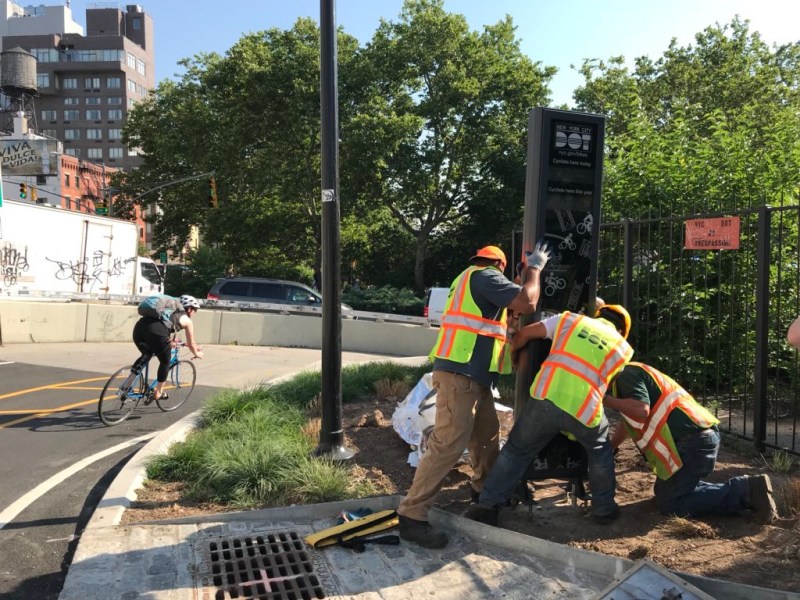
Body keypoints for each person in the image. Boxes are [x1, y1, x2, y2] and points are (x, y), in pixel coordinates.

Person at [397, 242, 552, 549]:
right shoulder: (485, 275)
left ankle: (485, 494)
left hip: (473, 378)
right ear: (500, 266)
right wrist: (535, 268)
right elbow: (527, 302)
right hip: (461, 376)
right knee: (448, 443)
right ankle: (412, 515)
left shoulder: (469, 280)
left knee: (486, 436)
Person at [466, 304, 634, 526]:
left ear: (599, 315)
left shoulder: (570, 320)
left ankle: (488, 507)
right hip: (584, 410)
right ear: (623, 330)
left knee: (516, 451)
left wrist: (514, 356)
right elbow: (608, 384)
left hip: (546, 398)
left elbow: (524, 333)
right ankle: (604, 510)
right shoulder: (624, 349)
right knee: (600, 453)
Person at [603, 362, 778, 522]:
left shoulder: (626, 375)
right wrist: (610, 447)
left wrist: (605, 400)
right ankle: (748, 489)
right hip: (699, 438)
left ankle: (746, 491)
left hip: (693, 443)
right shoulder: (632, 373)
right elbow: (628, 422)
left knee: (671, 502)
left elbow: (641, 410)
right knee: (668, 492)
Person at [131, 294, 204, 401]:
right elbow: (191, 343)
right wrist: (197, 353)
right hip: (156, 332)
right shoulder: (186, 320)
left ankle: (126, 386)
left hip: (139, 328)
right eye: (195, 310)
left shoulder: (167, 312)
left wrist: (172, 342)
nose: (195, 313)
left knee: (146, 355)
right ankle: (158, 392)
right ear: (189, 309)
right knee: (165, 361)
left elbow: (164, 330)